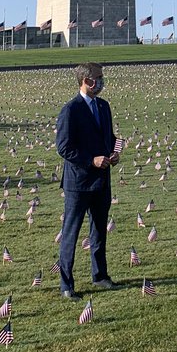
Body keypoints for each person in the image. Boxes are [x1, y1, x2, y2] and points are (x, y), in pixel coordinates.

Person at [55, 63, 120, 298]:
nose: (101, 82)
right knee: (71, 233)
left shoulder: (104, 107)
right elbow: (64, 148)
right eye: (97, 78)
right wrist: (91, 160)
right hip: (78, 184)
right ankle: (66, 285)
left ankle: (100, 275)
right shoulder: (70, 110)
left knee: (99, 231)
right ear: (85, 80)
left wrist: (115, 152)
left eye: (102, 78)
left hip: (101, 181)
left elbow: (110, 137)